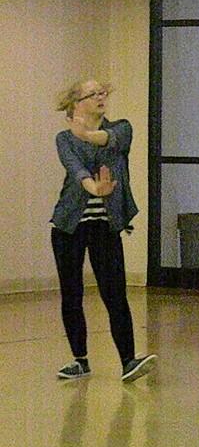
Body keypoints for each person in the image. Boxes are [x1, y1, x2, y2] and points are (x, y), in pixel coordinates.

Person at [51, 79, 157, 382]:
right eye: (93, 94)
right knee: (71, 293)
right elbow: (76, 169)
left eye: (103, 93)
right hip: (68, 225)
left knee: (115, 293)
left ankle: (128, 361)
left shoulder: (122, 128)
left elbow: (108, 140)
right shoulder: (64, 138)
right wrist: (93, 188)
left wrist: (84, 132)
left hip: (104, 225)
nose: (101, 97)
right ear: (76, 102)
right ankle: (79, 360)